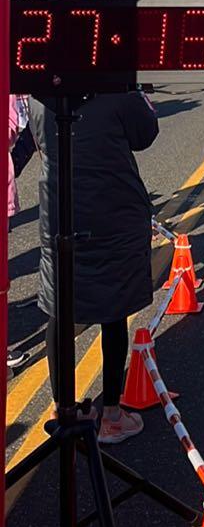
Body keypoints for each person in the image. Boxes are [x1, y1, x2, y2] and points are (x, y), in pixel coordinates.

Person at [30, 87, 160, 445]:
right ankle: (112, 416)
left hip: (59, 213)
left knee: (60, 311)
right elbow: (145, 133)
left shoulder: (40, 94)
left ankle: (62, 408)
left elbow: (39, 141)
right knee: (113, 312)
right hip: (113, 215)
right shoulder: (116, 88)